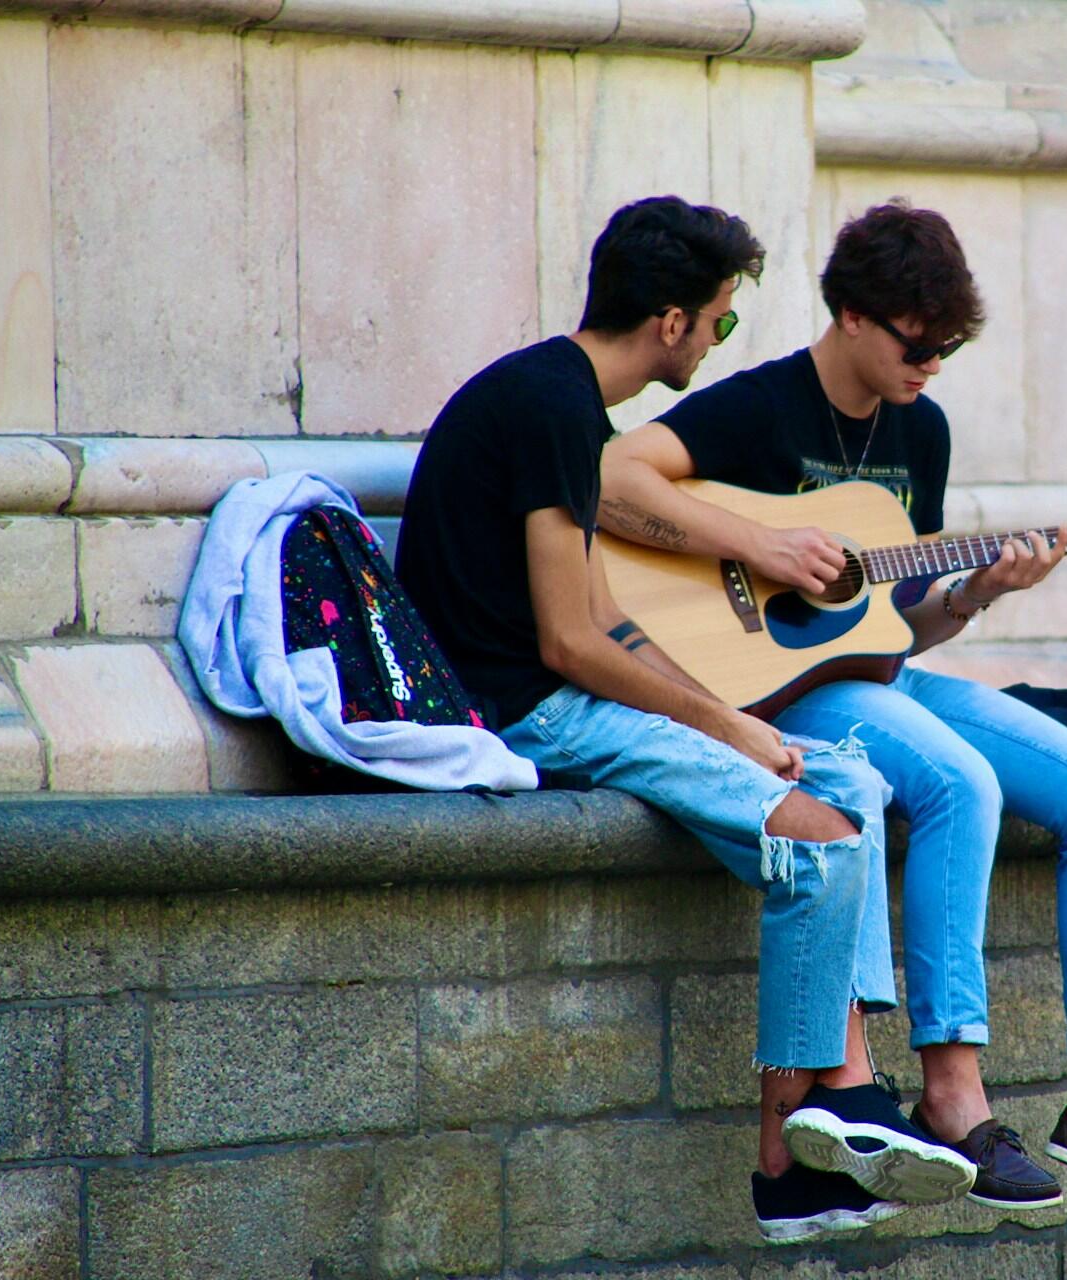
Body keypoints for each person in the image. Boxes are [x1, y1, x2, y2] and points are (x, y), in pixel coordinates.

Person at [600, 200, 1067, 1212]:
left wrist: (978, 592)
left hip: (877, 680)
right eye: (916, 341)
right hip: (769, 695)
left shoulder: (919, 430)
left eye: (948, 346)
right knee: (959, 780)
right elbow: (616, 475)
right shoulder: (760, 408)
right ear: (851, 312)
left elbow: (889, 629)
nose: (931, 362)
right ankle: (952, 1089)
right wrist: (761, 546)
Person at [393, 196, 975, 1243]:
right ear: (671, 322)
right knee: (824, 838)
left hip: (566, 690)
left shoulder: (561, 400)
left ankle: (827, 1118)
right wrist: (737, 732)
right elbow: (570, 645)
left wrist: (723, 712)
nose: (718, 339)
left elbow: (607, 612)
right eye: (720, 318)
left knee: (849, 782)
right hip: (532, 714)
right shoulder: (548, 406)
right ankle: (790, 1145)